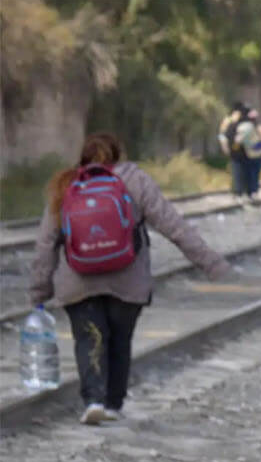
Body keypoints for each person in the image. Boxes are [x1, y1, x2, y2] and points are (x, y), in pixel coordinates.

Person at [28, 133, 231, 424]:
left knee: (90, 339)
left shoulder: (67, 183)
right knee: (119, 340)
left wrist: (39, 290)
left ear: (83, 156)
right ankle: (112, 403)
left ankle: (93, 400)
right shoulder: (134, 179)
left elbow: (46, 243)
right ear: (117, 154)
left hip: (78, 281)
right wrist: (212, 264)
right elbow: (173, 225)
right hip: (127, 280)